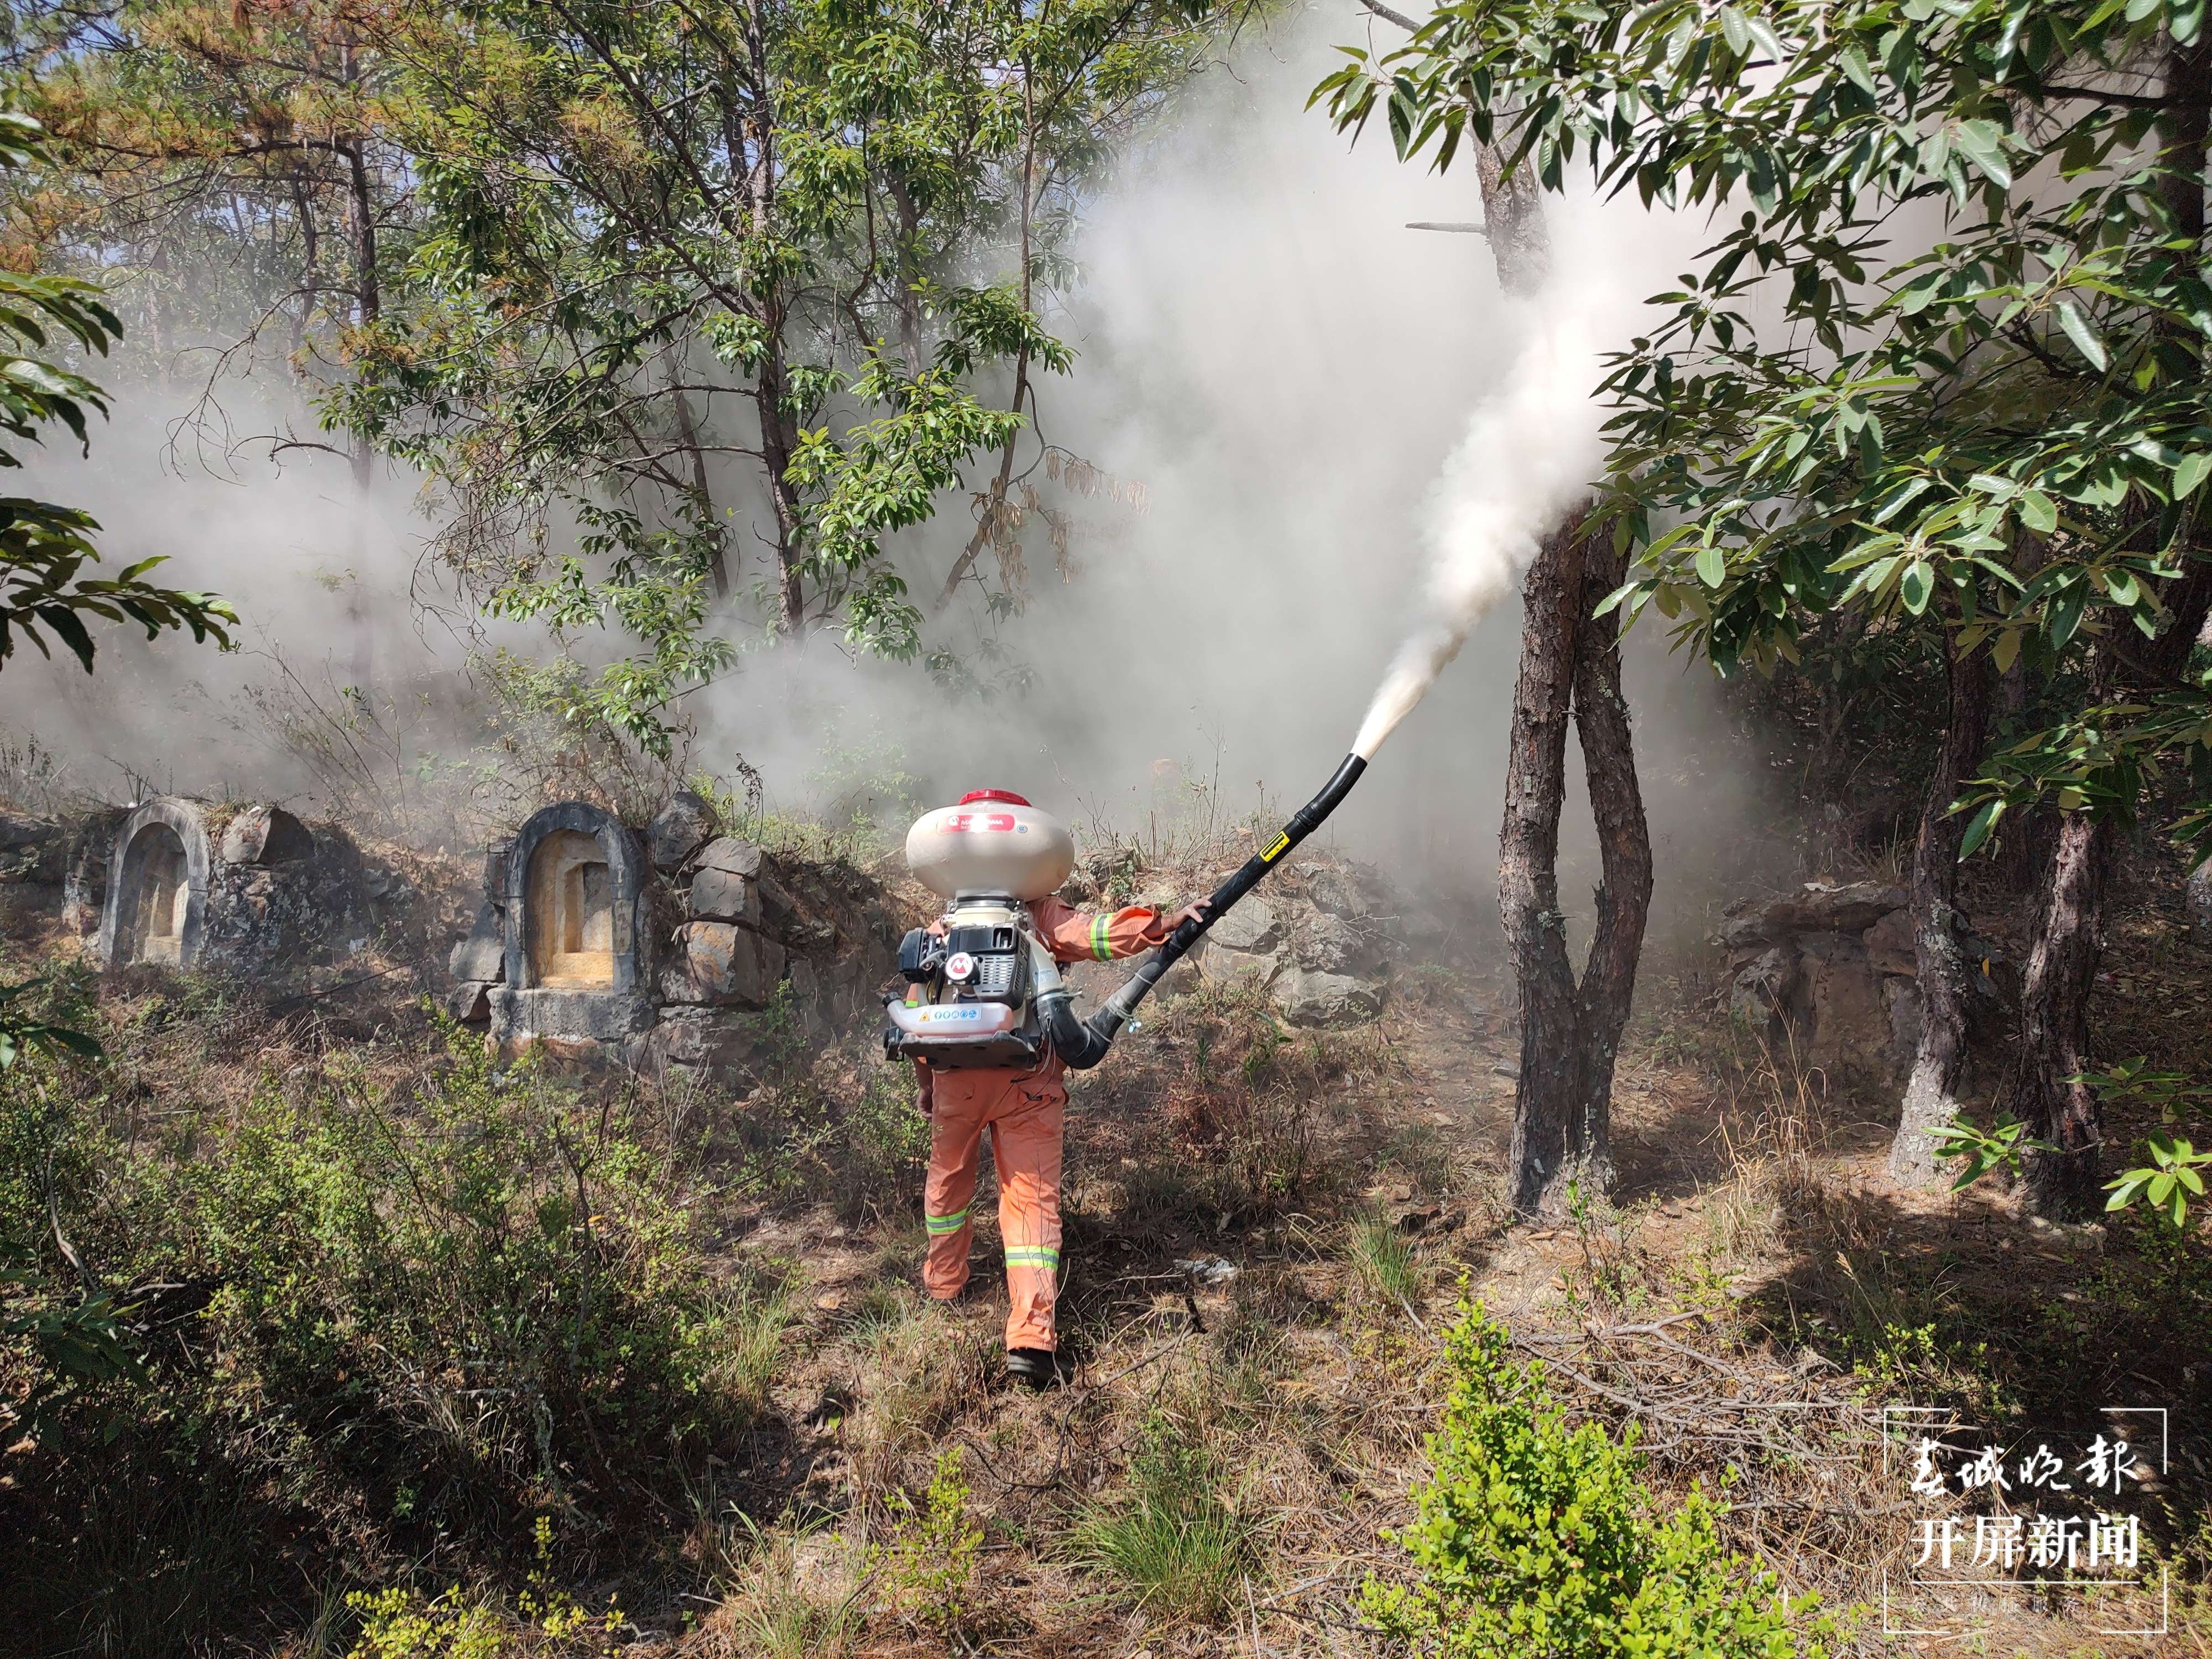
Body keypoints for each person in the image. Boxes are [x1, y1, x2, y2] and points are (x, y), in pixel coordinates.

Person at [916, 887, 1207, 1387]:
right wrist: (1160, 925)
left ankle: (945, 1285)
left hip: (955, 1078)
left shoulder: (944, 926)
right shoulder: (1036, 913)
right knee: (1031, 1200)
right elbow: (1095, 934)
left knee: (949, 1182)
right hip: (1029, 1074)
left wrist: (928, 1086)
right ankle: (1031, 1339)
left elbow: (920, 1011)